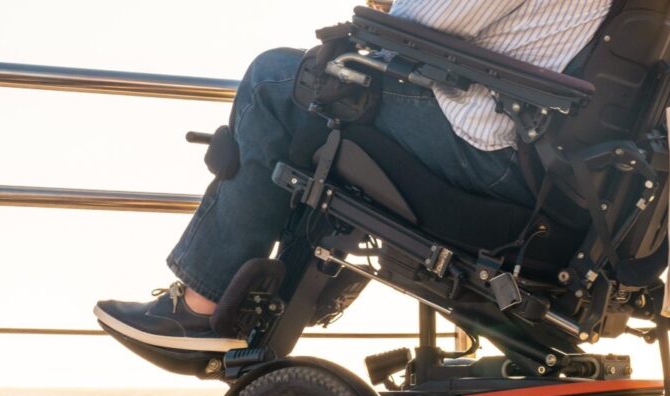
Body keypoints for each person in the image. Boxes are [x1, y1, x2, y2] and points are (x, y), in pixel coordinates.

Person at [94, 0, 611, 353]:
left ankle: (204, 307)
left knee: (276, 79)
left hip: (487, 151)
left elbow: (416, 31)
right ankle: (290, 295)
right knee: (325, 95)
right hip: (555, 173)